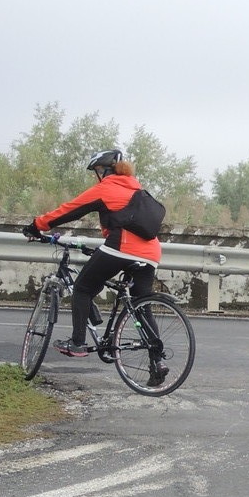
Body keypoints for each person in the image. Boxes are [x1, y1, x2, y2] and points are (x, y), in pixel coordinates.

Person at [22, 149, 164, 372]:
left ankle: (77, 342)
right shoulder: (137, 188)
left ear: (106, 170)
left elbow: (70, 210)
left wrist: (36, 225)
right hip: (151, 253)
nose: (98, 174)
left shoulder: (106, 188)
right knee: (142, 306)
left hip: (121, 247)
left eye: (98, 170)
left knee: (83, 288)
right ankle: (157, 361)